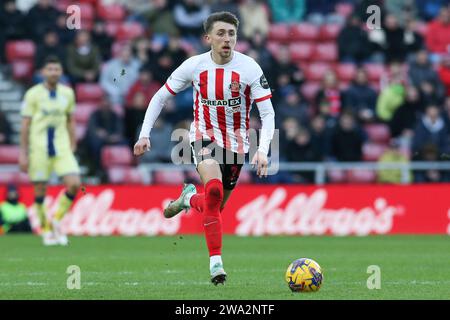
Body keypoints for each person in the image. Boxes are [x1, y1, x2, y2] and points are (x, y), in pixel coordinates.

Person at [133, 12, 275, 285]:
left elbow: (267, 113)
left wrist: (263, 149)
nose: (227, 39)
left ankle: (188, 199)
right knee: (213, 189)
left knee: (214, 208)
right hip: (204, 137)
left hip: (237, 144)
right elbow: (161, 96)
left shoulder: (250, 68)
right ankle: (216, 265)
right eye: (221, 33)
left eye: (231, 34)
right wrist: (144, 134)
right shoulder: (194, 66)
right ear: (208, 38)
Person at [19, 56, 81, 246]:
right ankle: (46, 230)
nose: (53, 72)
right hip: (39, 148)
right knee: (39, 189)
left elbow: (71, 119)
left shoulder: (68, 93)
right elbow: (25, 125)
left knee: (74, 184)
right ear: (43, 72)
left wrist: (73, 141)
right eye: (50, 69)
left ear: (61, 72)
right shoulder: (33, 94)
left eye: (57, 69)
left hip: (61, 147)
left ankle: (56, 220)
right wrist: (23, 153)